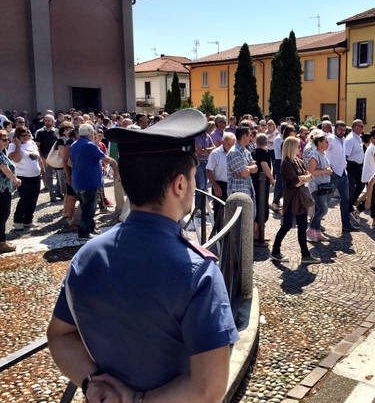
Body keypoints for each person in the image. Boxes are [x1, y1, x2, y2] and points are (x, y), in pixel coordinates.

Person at [47, 109, 239, 402]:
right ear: (180, 184)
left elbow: (59, 335)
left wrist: (92, 383)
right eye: (191, 177)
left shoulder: (87, 255)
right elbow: (208, 389)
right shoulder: (199, 272)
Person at [271, 137, 320, 263]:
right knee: (287, 225)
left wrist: (303, 178)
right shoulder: (287, 163)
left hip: (300, 197)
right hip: (292, 198)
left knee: (302, 225)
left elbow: (308, 175)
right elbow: (296, 182)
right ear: (292, 148)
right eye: (298, 147)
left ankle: (305, 254)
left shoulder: (298, 161)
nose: (300, 149)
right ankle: (275, 251)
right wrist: (303, 178)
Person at [70, 124, 118, 241]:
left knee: (86, 205)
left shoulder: (74, 144)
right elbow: (105, 159)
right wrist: (115, 163)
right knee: (89, 208)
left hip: (77, 180)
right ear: (91, 134)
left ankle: (91, 228)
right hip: (88, 181)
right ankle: (84, 233)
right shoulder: (90, 145)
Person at [8, 127, 45, 230]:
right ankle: (17, 221)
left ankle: (28, 220)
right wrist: (18, 146)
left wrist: (42, 170)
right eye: (24, 135)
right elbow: (16, 159)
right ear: (18, 136)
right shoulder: (12, 146)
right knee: (24, 199)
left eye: (28, 134)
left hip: (35, 175)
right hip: (23, 176)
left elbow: (38, 157)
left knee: (34, 198)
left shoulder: (32, 143)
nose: (27, 137)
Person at [327, 121, 359, 232]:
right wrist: (328, 166)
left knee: (346, 200)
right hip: (333, 174)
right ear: (335, 129)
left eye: (344, 130)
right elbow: (324, 152)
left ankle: (346, 224)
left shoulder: (344, 140)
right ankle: (314, 224)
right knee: (325, 200)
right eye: (340, 129)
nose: (342, 132)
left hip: (343, 174)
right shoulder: (330, 139)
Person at [306, 133, 334, 242]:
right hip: (317, 187)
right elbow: (311, 172)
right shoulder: (314, 155)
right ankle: (311, 229)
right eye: (326, 141)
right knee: (323, 210)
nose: (328, 143)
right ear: (319, 143)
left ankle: (317, 232)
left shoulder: (324, 154)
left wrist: (328, 170)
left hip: (325, 186)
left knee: (319, 209)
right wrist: (325, 171)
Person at [207, 132, 235, 226]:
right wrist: (215, 186)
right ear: (223, 142)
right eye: (228, 144)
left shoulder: (235, 152)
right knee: (219, 212)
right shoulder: (215, 153)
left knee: (232, 212)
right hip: (219, 184)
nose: (230, 147)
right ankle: (218, 236)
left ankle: (230, 235)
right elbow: (209, 170)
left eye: (232, 144)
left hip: (232, 184)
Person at [356, 130, 375, 224]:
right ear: (372, 138)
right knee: (372, 198)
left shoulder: (372, 147)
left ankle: (374, 217)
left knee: (373, 197)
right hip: (373, 177)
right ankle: (358, 211)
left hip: (371, 176)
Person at [0, 130, 21, 252]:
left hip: (3, 188)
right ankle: (2, 243)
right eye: (4, 139)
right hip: (2, 190)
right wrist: (15, 179)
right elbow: (4, 168)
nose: (7, 141)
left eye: (8, 139)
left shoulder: (2, 152)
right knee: (2, 214)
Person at [252, 133, 274, 243]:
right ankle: (258, 234)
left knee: (257, 204)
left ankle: (256, 233)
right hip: (262, 183)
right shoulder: (265, 153)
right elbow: (265, 165)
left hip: (253, 182)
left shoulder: (252, 152)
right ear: (266, 143)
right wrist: (271, 178)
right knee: (262, 206)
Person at [35, 113, 61, 201]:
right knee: (49, 177)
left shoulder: (57, 131)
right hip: (46, 156)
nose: (46, 122)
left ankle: (58, 192)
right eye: (45, 120)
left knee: (59, 176)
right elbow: (37, 147)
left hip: (56, 156)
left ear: (53, 122)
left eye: (48, 120)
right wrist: (42, 159)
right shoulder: (40, 132)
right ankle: (52, 196)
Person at [227, 126, 257, 199]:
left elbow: (255, 169)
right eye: (250, 135)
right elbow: (244, 173)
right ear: (244, 137)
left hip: (248, 192)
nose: (251, 138)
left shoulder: (246, 152)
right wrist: (247, 169)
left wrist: (245, 168)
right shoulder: (234, 152)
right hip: (237, 195)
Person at [345, 119, 365, 214]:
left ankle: (351, 203)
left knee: (361, 184)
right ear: (355, 127)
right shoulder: (350, 139)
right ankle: (348, 207)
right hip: (351, 166)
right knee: (351, 188)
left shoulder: (358, 137)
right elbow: (346, 155)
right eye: (360, 126)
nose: (362, 128)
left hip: (359, 166)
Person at [194, 122, 215, 208]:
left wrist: (206, 149)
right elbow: (200, 151)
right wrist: (207, 151)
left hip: (206, 163)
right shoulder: (197, 137)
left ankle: (201, 208)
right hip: (199, 163)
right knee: (201, 186)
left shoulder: (207, 136)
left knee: (204, 187)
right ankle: (198, 209)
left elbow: (214, 146)